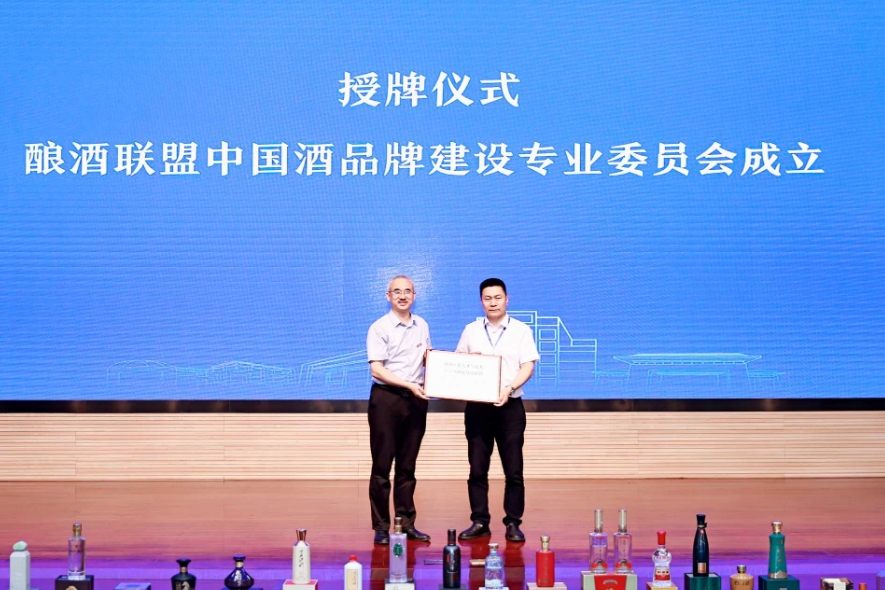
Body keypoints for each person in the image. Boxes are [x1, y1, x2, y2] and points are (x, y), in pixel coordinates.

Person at [455, 278, 539, 543]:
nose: (493, 303)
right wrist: (468, 363)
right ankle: (480, 521)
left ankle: (513, 522)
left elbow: (528, 365)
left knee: (513, 470)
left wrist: (509, 388)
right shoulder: (470, 330)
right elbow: (457, 363)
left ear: (507, 299)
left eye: (497, 297)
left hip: (510, 406)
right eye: (487, 298)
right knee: (477, 469)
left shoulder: (521, 330)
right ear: (481, 301)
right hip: (477, 409)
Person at [366, 275, 432, 545]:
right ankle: (381, 527)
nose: (403, 296)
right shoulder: (379, 327)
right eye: (397, 292)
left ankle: (406, 524)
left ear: (414, 295)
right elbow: (377, 369)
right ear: (388, 296)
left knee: (407, 467)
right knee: (382, 466)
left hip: (416, 401)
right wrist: (408, 385)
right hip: (386, 400)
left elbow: (429, 359)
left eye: (407, 291)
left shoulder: (422, 325)